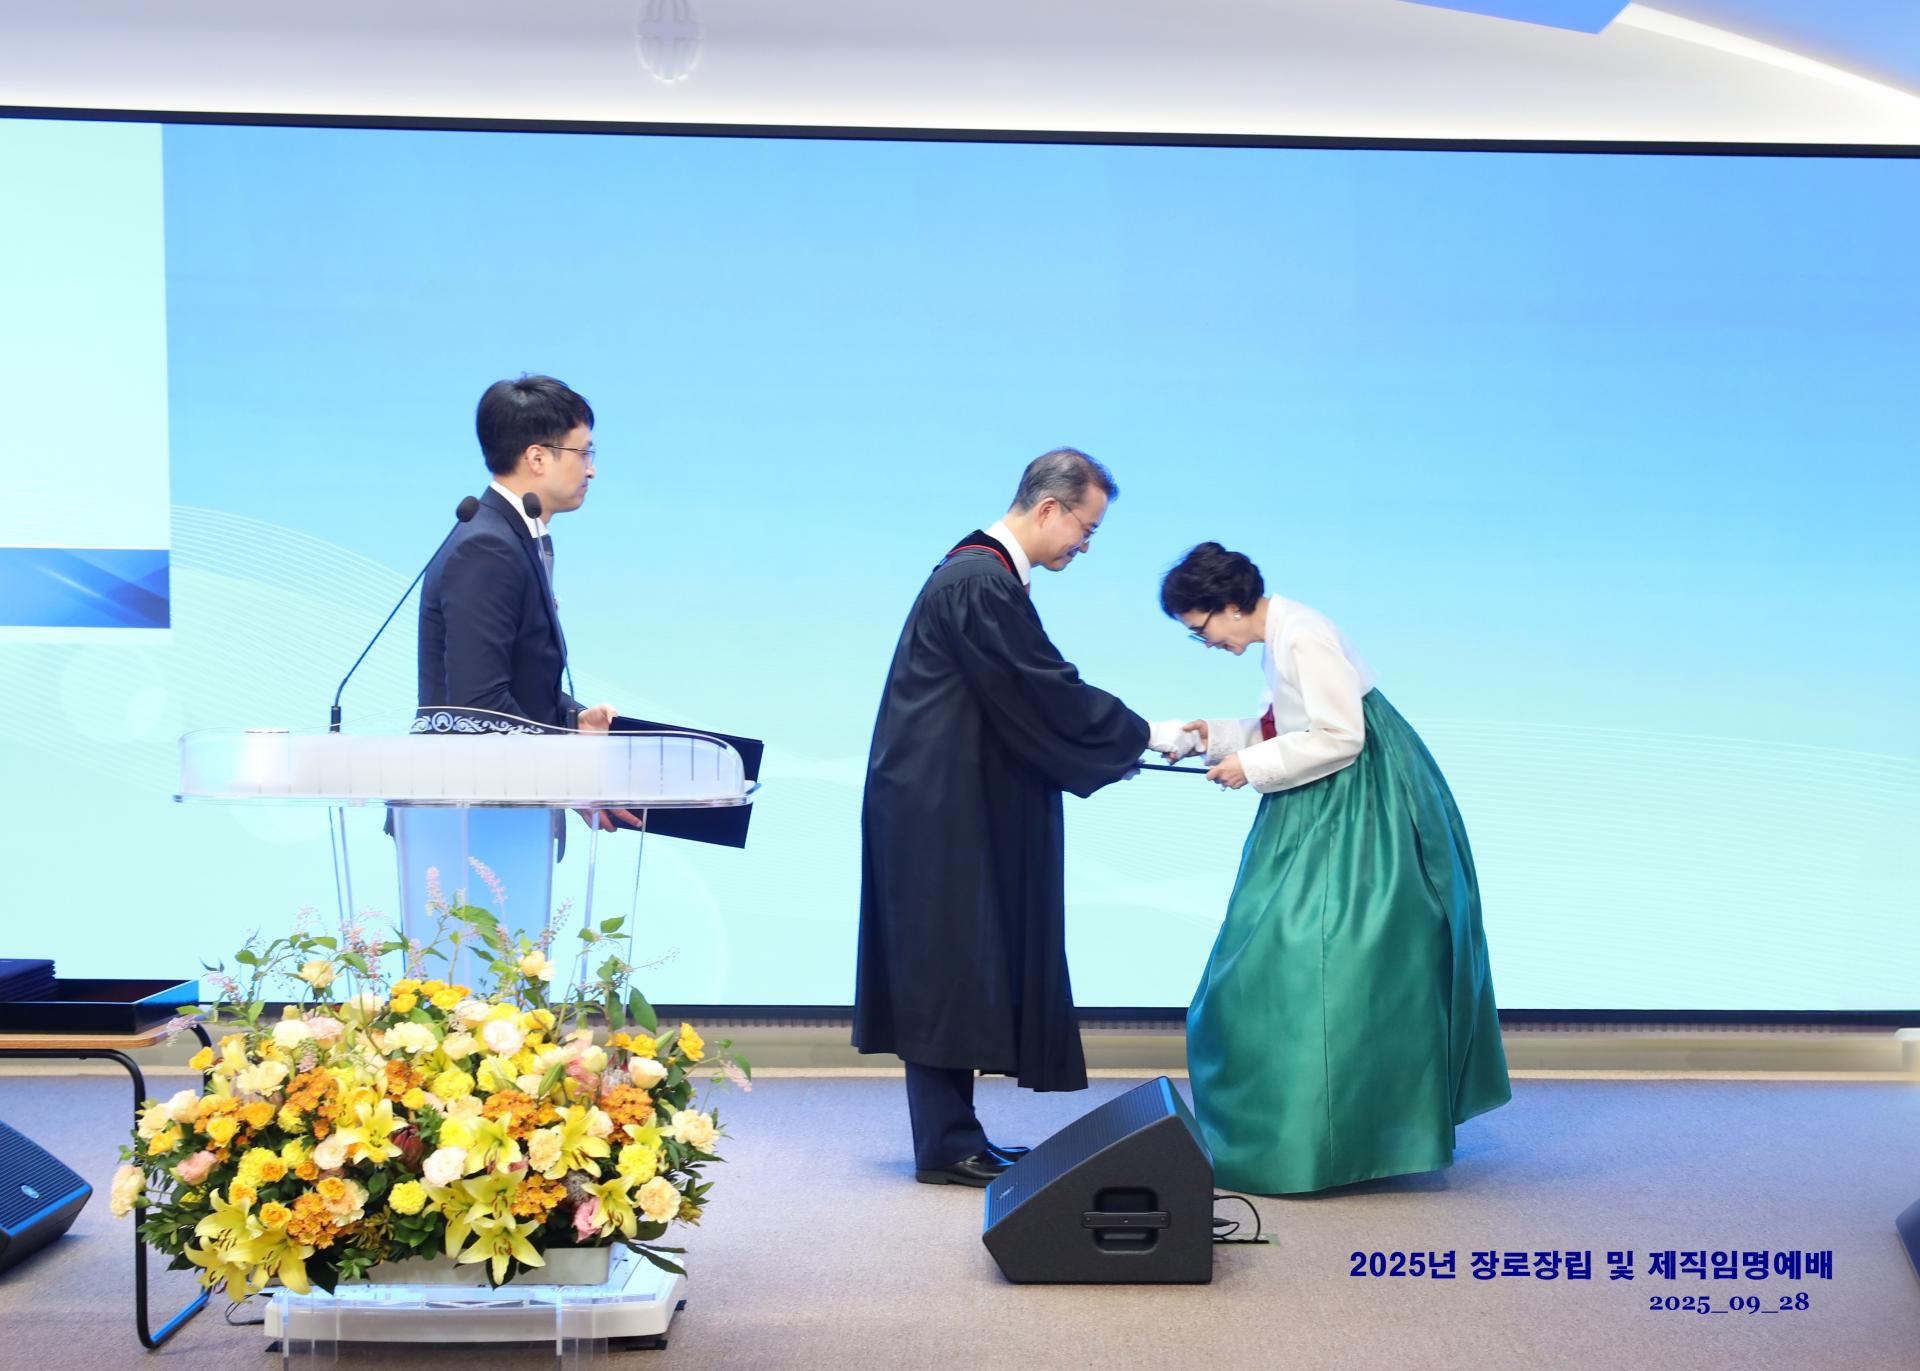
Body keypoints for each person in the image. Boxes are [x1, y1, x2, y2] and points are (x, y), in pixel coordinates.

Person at [1149, 542, 1510, 1194]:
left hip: (1357, 805)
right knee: (1299, 963)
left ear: (1230, 604)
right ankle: (1315, 1132)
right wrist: (1214, 736)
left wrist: (1248, 766)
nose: (1207, 642)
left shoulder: (1302, 636)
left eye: (1202, 629)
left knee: (1308, 965)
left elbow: (1340, 738)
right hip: (1333, 798)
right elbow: (1287, 725)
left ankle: (1320, 1140)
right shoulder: (1284, 632)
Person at [854, 448, 1151, 1187]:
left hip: (947, 802)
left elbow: (1018, 693)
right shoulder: (978, 581)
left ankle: (957, 1136)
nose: (1086, 544)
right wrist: (1140, 733)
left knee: (954, 964)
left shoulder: (982, 575)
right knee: (943, 969)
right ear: (1049, 509)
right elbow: (1040, 686)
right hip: (935, 811)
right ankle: (947, 1145)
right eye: (1086, 527)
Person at [415, 374, 636, 830]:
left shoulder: (513, 538)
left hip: (503, 819)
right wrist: (573, 774)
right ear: (537, 458)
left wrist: (574, 721)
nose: (591, 470)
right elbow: (480, 708)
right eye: (584, 453)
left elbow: (514, 683)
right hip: (472, 823)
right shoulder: (487, 548)